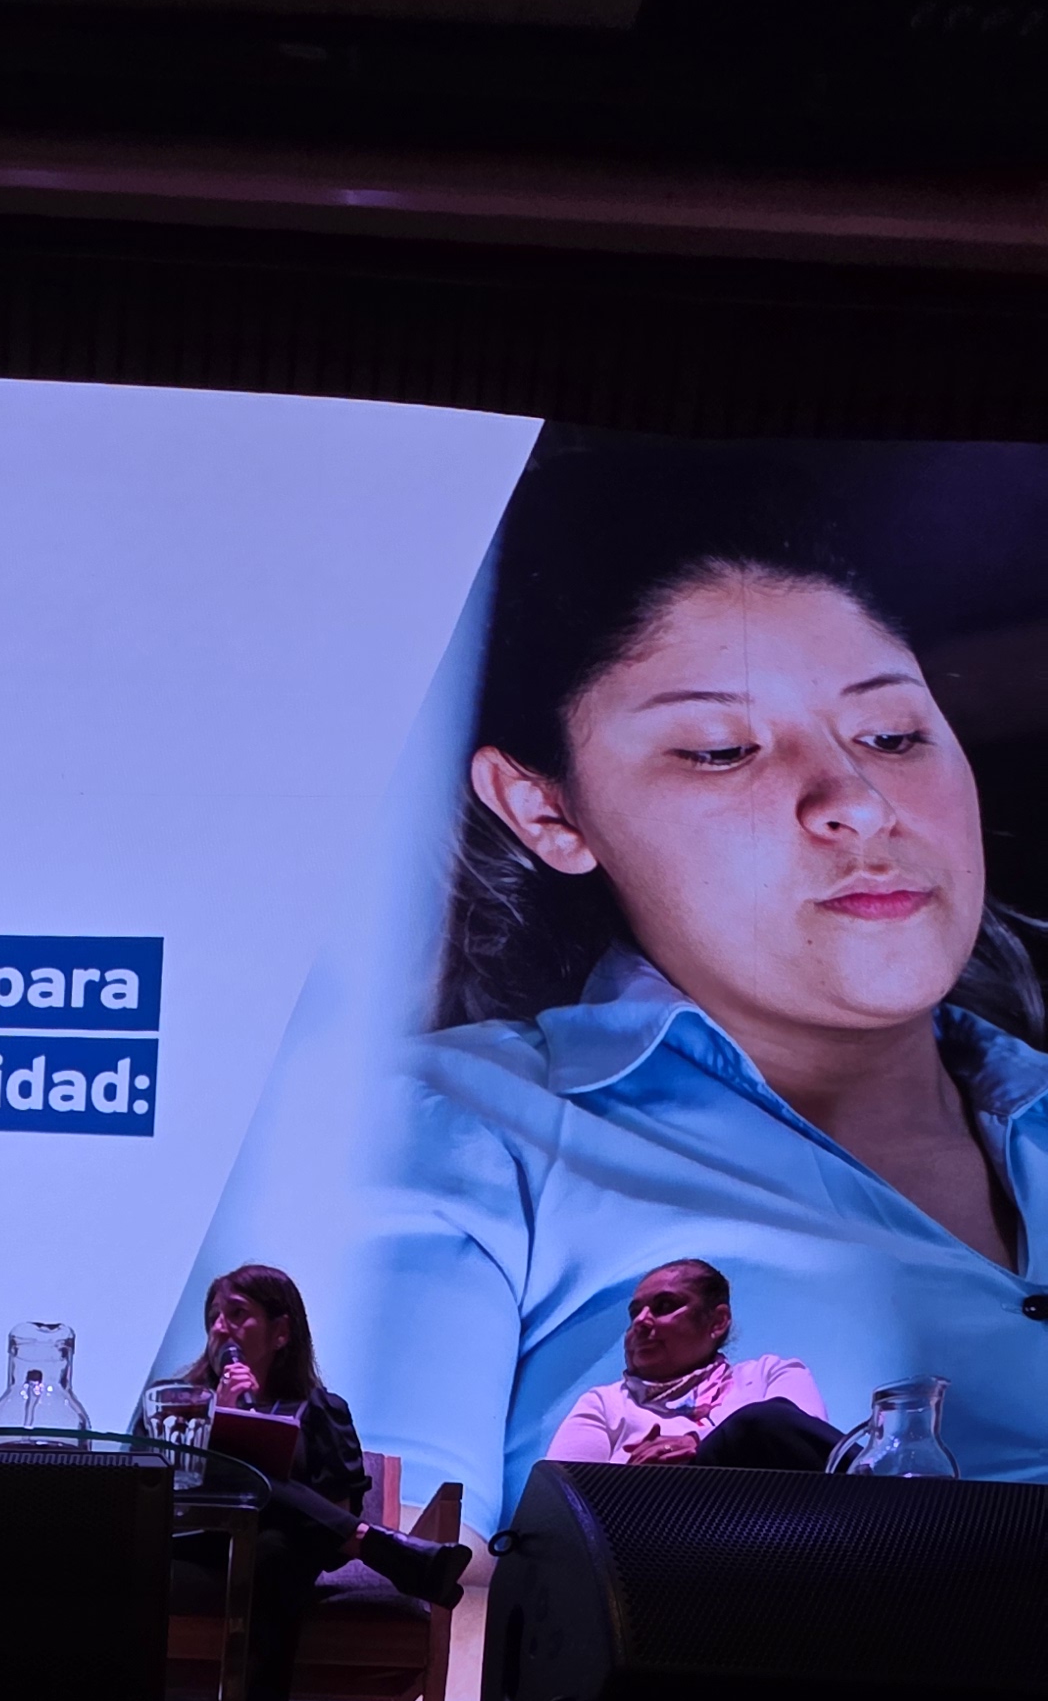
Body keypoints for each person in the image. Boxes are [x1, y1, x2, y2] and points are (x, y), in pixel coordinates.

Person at [359, 447, 1048, 1524]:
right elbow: (381, 1590)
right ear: (544, 808)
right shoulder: (458, 1128)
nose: (857, 801)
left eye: (892, 734)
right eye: (723, 750)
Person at [170, 1266, 470, 1701]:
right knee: (249, 1498)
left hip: (282, 1551)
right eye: (213, 1318)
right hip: (199, 1541)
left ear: (281, 1332)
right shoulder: (179, 1406)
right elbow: (162, 1488)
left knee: (273, 1549)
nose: (221, 1328)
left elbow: (338, 1506)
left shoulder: (320, 1411)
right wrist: (220, 1417)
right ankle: (382, 1548)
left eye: (237, 1314)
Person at [549, 1259, 832, 1467]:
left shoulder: (771, 1374)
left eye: (664, 1306)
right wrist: (633, 1483)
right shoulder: (604, 1404)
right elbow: (561, 1501)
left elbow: (809, 1448)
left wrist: (698, 1443)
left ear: (717, 1321)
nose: (641, 1321)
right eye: (635, 1313)